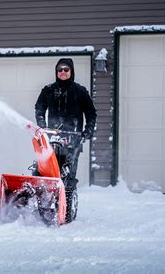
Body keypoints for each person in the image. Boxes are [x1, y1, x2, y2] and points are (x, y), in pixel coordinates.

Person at [34, 58, 97, 221]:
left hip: (73, 140)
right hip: (51, 139)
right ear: (56, 72)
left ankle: (67, 209)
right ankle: (35, 197)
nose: (63, 72)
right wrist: (42, 127)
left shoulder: (80, 91)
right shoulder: (48, 90)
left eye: (66, 70)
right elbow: (39, 109)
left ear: (71, 71)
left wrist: (86, 132)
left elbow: (91, 113)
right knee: (42, 169)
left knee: (67, 174)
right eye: (60, 69)